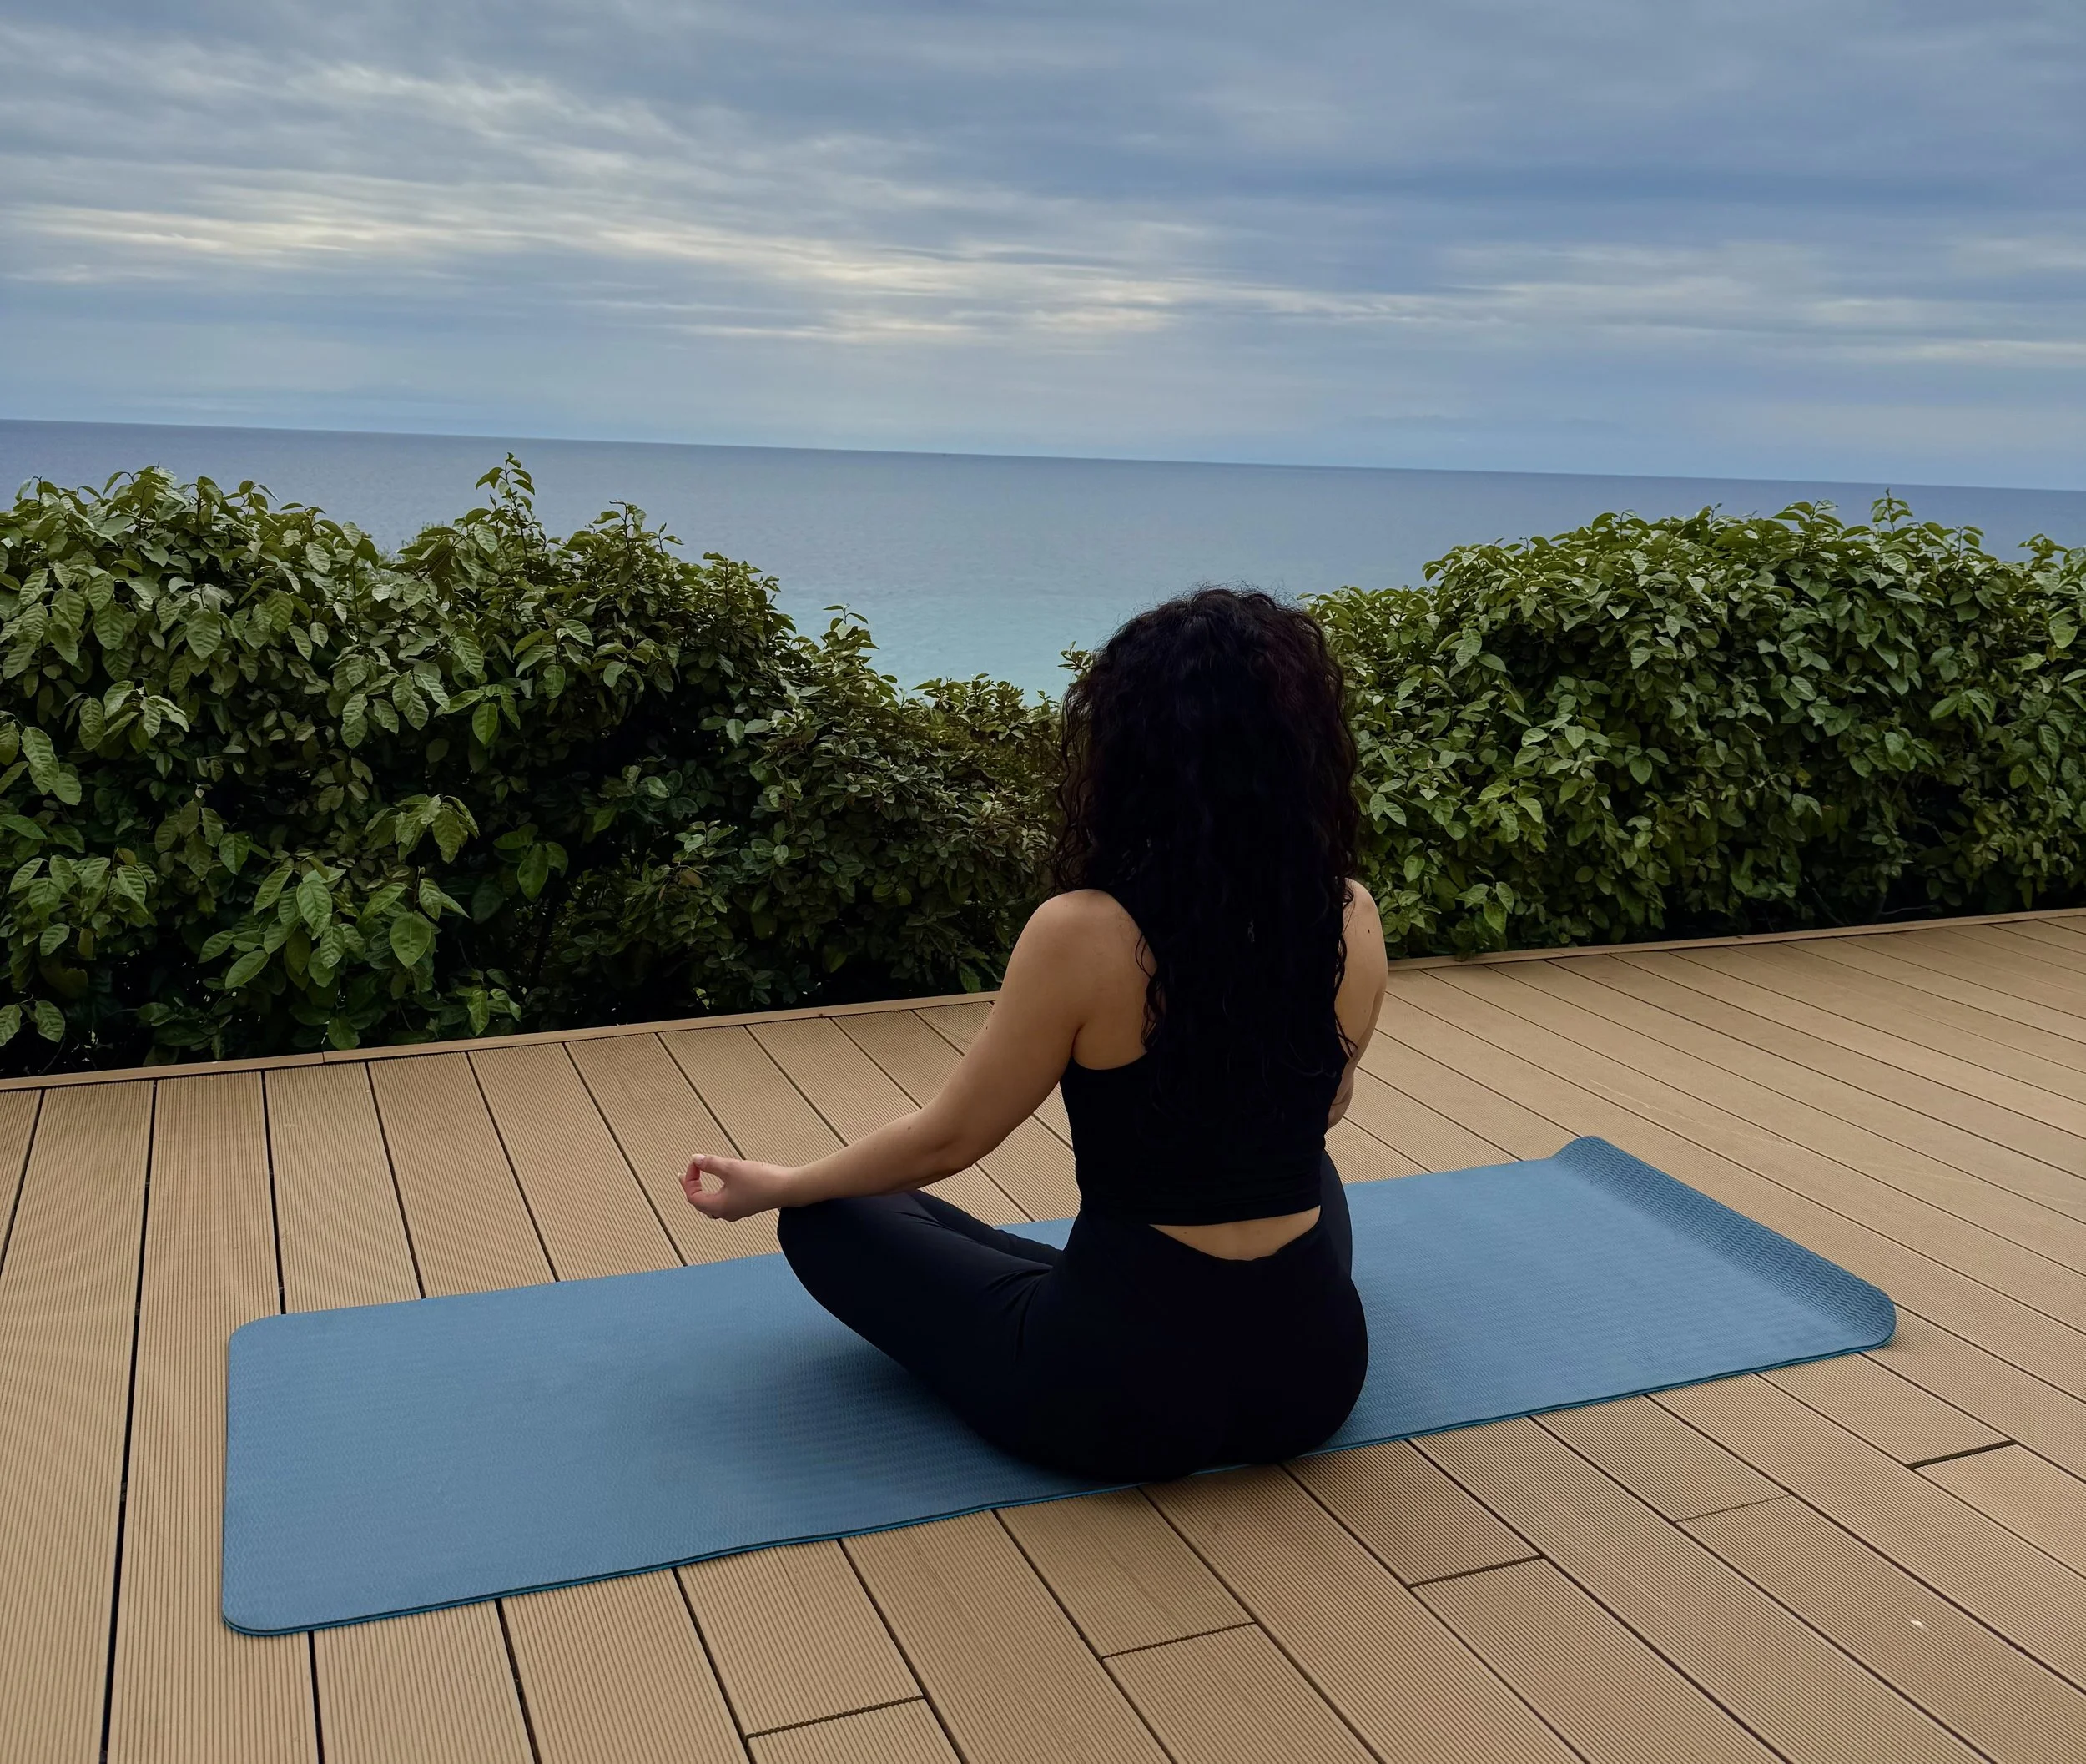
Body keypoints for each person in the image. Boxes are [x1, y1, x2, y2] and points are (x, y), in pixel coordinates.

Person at [683, 587, 1388, 1483]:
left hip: (1116, 1395)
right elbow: (1324, 1106)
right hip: (1312, 1381)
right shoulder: (1349, 913)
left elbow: (949, 1138)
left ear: (1132, 752)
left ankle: (1106, 1279)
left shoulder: (1082, 931)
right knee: (1299, 1165)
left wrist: (778, 1183)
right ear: (1303, 752)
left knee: (828, 1216)